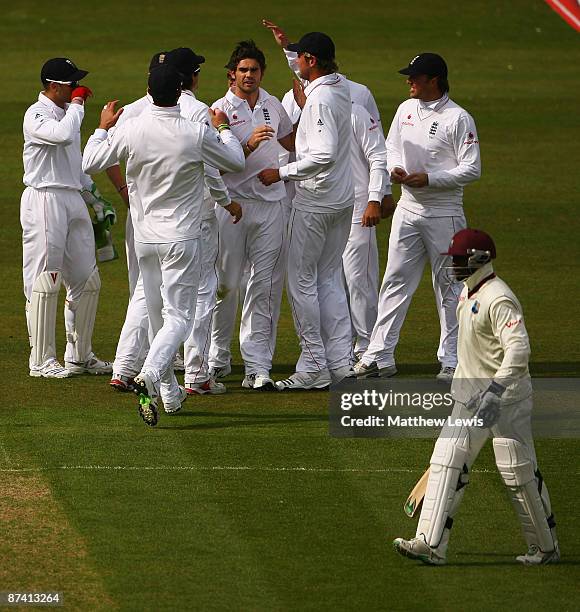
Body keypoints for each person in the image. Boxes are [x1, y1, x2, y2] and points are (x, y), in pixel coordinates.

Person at [82, 64, 244, 426]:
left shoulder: (132, 128)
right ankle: (151, 375)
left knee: (158, 319)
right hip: (182, 239)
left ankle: (170, 398)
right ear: (182, 90)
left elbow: (90, 161)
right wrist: (223, 127)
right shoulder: (194, 132)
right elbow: (235, 160)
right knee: (180, 318)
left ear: (149, 91)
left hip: (145, 240)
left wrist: (102, 127)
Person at [393, 228, 559, 566]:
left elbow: (519, 350)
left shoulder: (499, 298)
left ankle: (545, 547)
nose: (452, 266)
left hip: (506, 401)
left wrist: (495, 392)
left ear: (478, 260)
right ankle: (430, 544)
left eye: (458, 260)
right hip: (469, 397)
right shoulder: (468, 292)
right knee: (446, 460)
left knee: (517, 471)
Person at [355, 53, 481, 382]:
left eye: (415, 77)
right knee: (394, 281)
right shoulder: (405, 109)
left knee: (450, 287)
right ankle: (379, 355)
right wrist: (397, 170)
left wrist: (430, 179)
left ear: (434, 80)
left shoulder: (458, 118)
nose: (409, 81)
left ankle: (452, 359)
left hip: (445, 213)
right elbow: (390, 147)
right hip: (408, 208)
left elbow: (472, 168)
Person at [258, 31, 355, 390]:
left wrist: (281, 172)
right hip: (342, 200)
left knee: (300, 282)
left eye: (300, 57)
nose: (296, 61)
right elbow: (310, 82)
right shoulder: (340, 87)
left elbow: (324, 153)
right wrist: (287, 53)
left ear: (311, 61)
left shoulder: (319, 101)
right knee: (328, 279)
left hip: (315, 202)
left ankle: (314, 365)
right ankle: (342, 362)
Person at [208, 40, 294, 391]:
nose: (248, 75)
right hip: (232, 207)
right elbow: (215, 165)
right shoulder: (218, 111)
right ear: (232, 74)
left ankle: (258, 367)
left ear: (261, 73)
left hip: (271, 206)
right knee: (225, 285)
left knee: (266, 286)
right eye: (242, 70)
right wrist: (248, 144)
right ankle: (217, 359)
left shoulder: (274, 104)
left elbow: (291, 142)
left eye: (254, 70)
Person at [21, 57, 111, 378]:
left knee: (88, 279)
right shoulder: (37, 114)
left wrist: (94, 198)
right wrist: (78, 105)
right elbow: (59, 136)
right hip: (44, 197)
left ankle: (80, 355)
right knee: (46, 280)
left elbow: (74, 163)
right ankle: (41, 360)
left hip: (71, 197)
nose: (76, 87)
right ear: (53, 85)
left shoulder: (66, 115)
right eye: (71, 83)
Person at [165, 47, 241, 396]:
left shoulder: (149, 110)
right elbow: (219, 164)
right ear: (193, 76)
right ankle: (196, 374)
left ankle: (160, 368)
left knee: (162, 295)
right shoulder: (199, 113)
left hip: (157, 218)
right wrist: (223, 127)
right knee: (202, 292)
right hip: (197, 216)